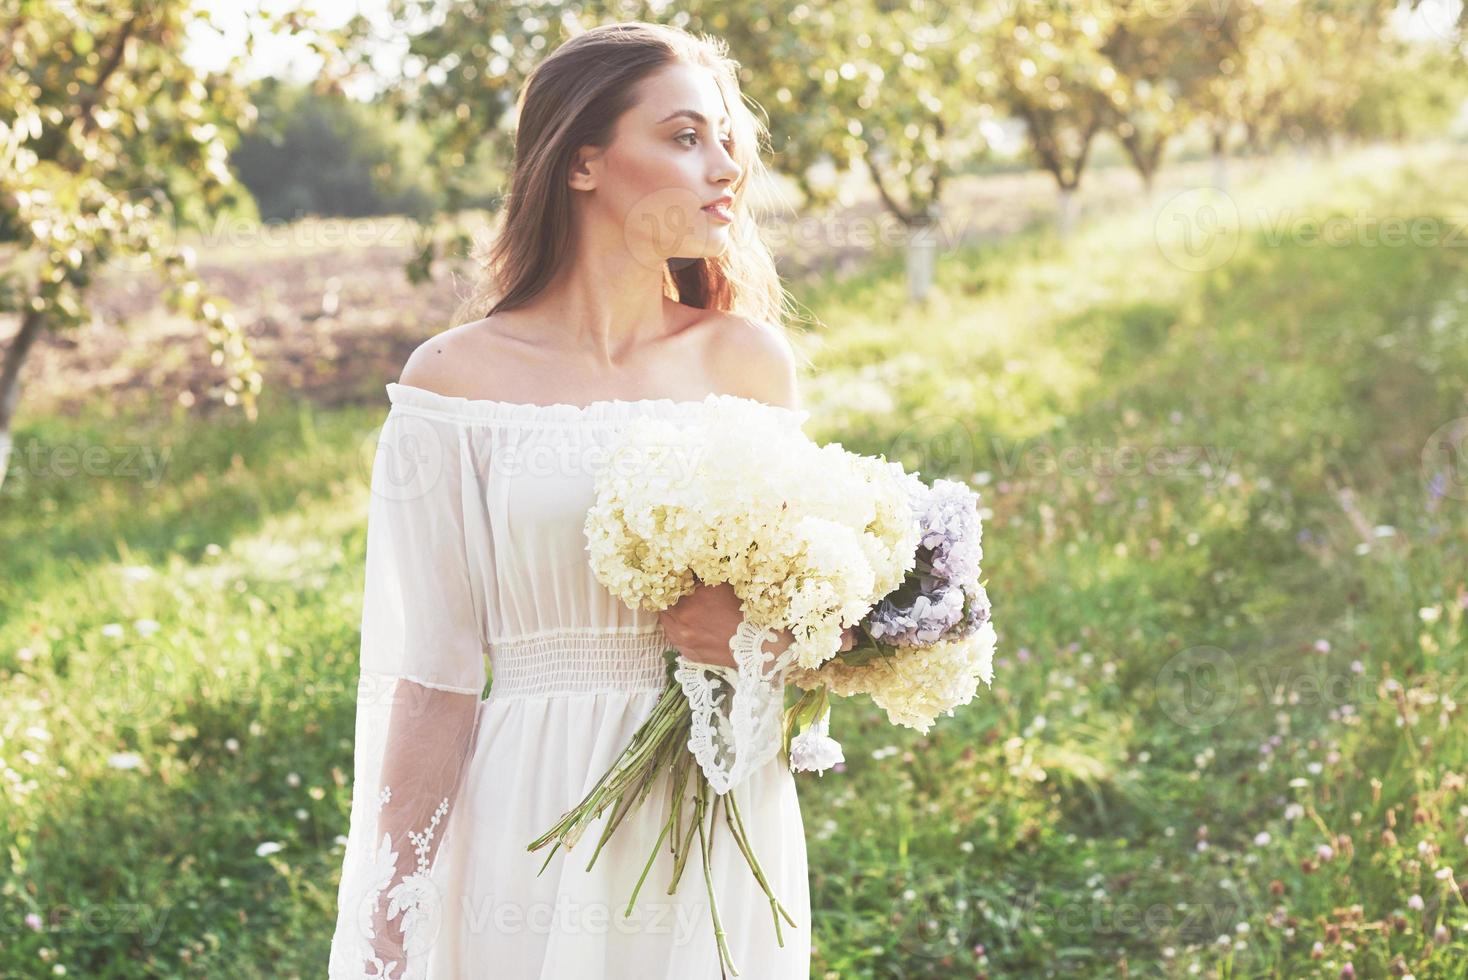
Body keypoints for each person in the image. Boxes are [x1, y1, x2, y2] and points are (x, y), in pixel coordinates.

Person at [326, 21, 837, 979]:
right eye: (684, 138)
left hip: (721, 816)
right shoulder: (455, 383)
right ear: (583, 163)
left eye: (727, 139)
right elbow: (431, 684)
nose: (724, 167)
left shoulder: (745, 362)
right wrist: (389, 928)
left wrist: (765, 644)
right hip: (533, 814)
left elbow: (811, 629)